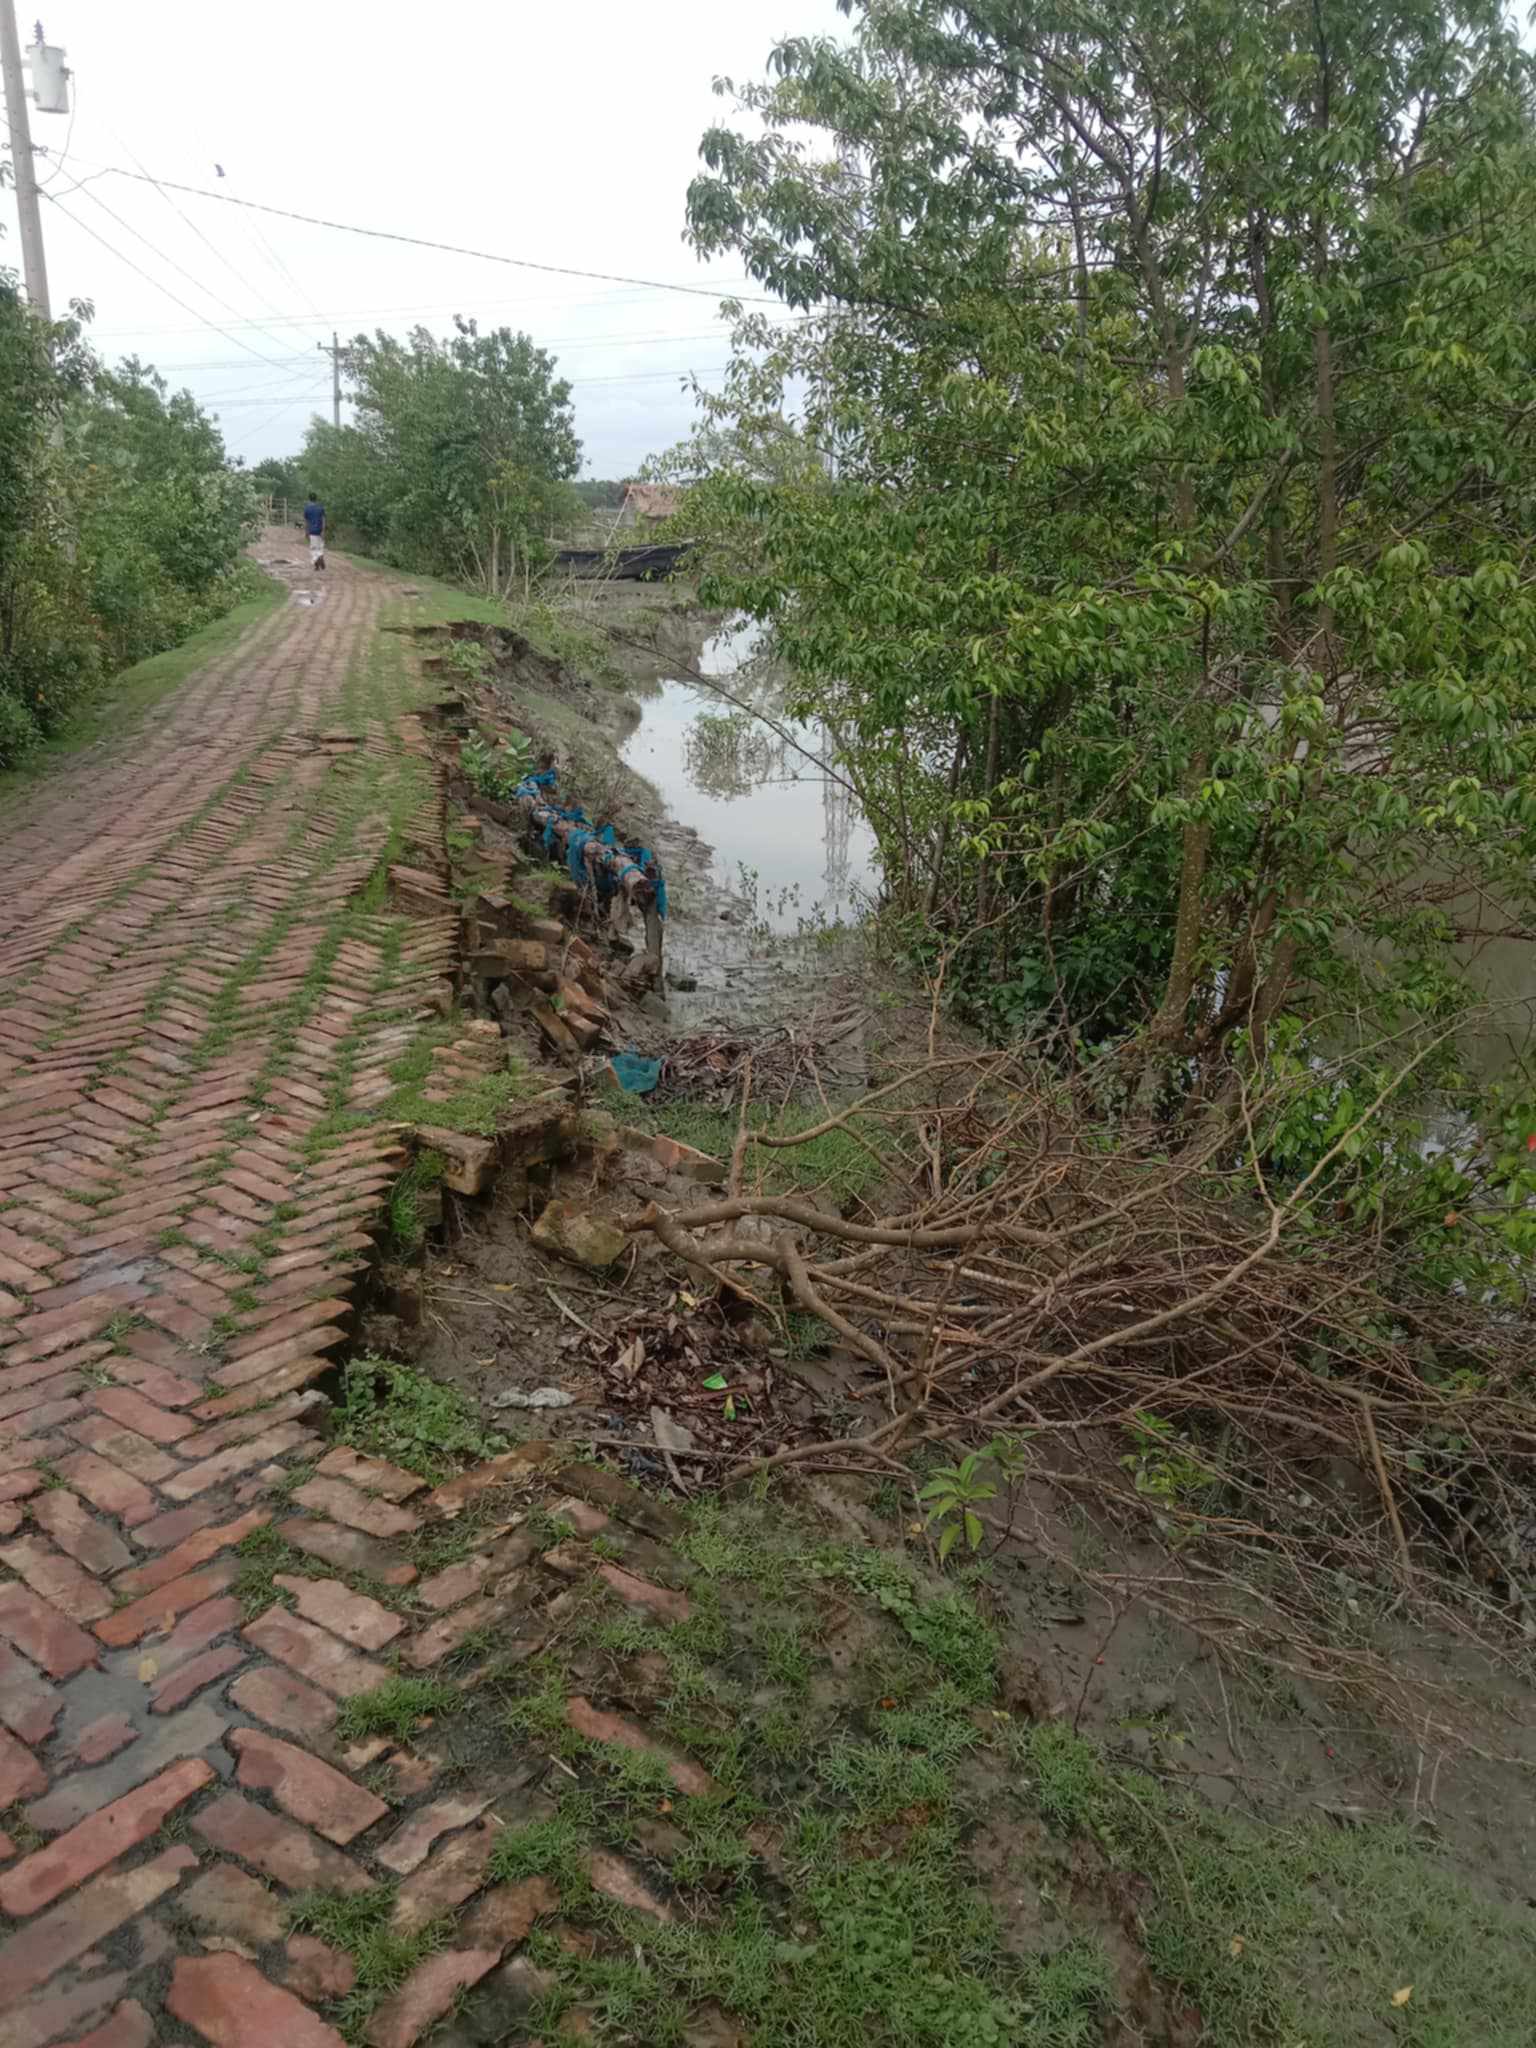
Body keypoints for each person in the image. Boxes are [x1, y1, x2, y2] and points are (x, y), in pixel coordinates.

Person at [302, 491, 326, 571]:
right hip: (320, 530)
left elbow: (306, 522)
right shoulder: (321, 508)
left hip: (312, 530)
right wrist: (323, 530)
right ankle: (320, 557)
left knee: (313, 548)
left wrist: (306, 532)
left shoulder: (307, 509)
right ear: (316, 499)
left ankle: (316, 562)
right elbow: (323, 520)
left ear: (309, 499)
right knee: (320, 546)